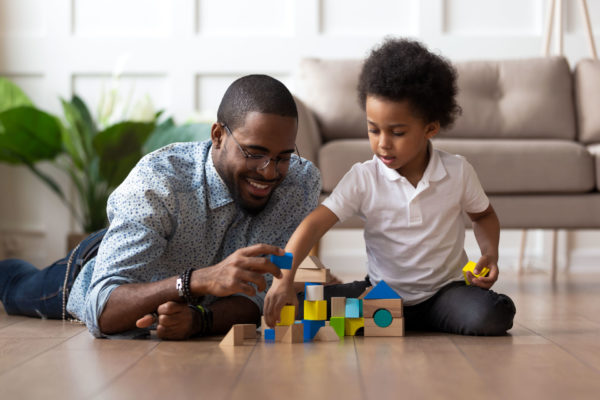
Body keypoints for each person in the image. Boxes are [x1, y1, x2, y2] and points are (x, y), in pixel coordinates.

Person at [0, 74, 321, 339]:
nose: (269, 172)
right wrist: (195, 281)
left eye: (282, 157)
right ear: (218, 135)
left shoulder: (299, 184)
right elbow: (101, 311)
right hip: (95, 270)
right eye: (254, 152)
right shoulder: (159, 182)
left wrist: (199, 319)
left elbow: (257, 295)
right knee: (14, 285)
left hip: (177, 287)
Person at [264, 38, 516, 335]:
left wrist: (490, 254)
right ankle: (390, 318)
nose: (382, 143)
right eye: (373, 129)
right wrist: (283, 281)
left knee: (494, 315)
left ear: (430, 128)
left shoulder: (457, 171)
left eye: (397, 132)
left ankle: (396, 322)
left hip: (446, 295)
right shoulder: (363, 178)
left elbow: (483, 215)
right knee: (302, 305)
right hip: (382, 294)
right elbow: (313, 225)